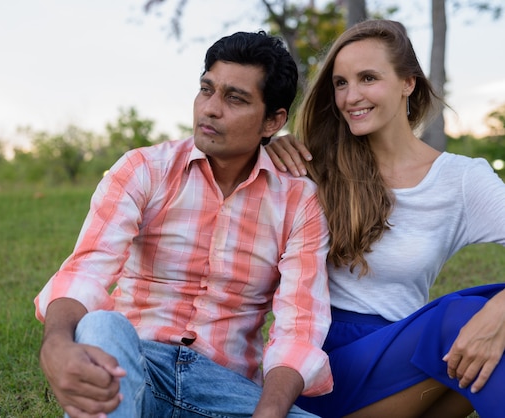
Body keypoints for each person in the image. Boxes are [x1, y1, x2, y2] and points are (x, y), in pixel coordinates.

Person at [34, 31, 333, 418]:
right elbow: (86, 271)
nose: (210, 109)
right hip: (136, 365)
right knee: (102, 326)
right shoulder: (143, 170)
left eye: (235, 99)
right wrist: (56, 343)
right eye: (206, 90)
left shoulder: (299, 202)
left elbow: (299, 328)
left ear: (273, 121)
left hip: (223, 389)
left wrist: (269, 413)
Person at [265, 19, 505, 418]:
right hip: (319, 360)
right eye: (340, 83)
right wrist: (267, 147)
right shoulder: (313, 164)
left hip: (403, 359)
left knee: (489, 322)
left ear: (408, 82)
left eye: (368, 78)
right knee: (460, 317)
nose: (350, 96)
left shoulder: (461, 179)